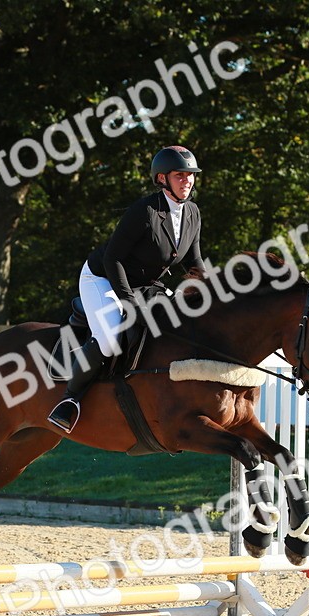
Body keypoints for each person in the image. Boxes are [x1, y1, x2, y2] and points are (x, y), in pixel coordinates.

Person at [47, 145, 206, 433]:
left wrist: (211, 292)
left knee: (177, 324)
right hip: (103, 278)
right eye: (180, 175)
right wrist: (129, 303)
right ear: (161, 179)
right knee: (109, 337)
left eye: (190, 175)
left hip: (146, 283)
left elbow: (193, 262)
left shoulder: (192, 213)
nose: (187, 180)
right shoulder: (144, 211)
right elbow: (113, 259)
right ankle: (70, 399)